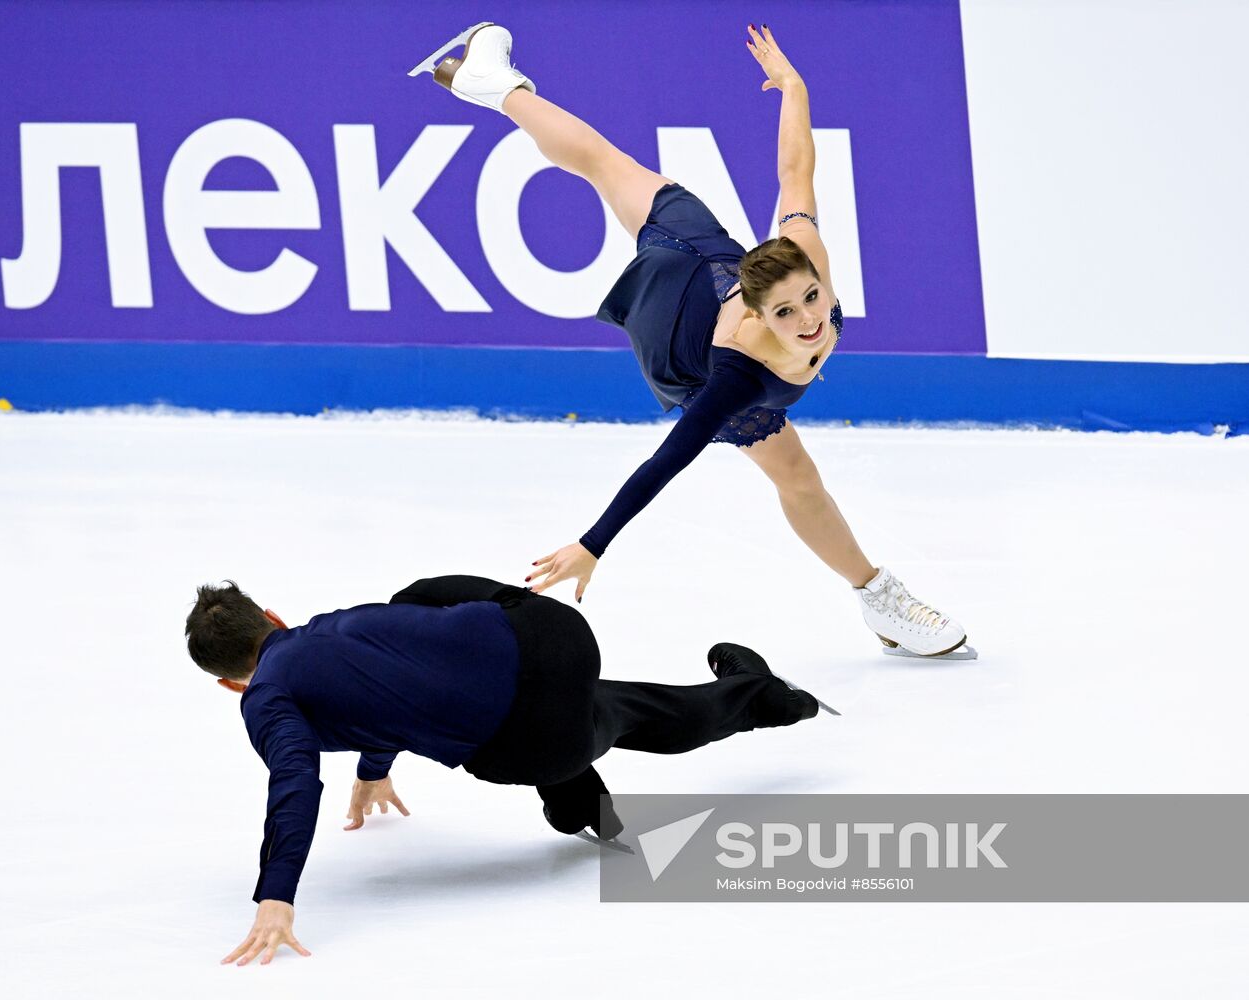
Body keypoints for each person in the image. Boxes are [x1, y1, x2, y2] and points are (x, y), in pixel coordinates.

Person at [411, 22, 970, 657]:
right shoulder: (737, 378)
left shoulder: (803, 257)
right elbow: (667, 460)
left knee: (605, 162)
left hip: (704, 253)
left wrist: (793, 86)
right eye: (787, 313)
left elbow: (795, 172)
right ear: (758, 314)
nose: (811, 319)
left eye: (812, 297)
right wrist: (593, 544)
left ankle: (492, 83)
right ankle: (878, 596)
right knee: (797, 473)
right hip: (681, 344)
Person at [185, 576, 828, 965]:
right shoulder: (333, 630)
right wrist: (374, 766)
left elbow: (294, 782)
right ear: (271, 618)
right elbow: (388, 690)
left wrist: (277, 894)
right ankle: (751, 694)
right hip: (552, 634)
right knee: (422, 602)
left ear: (228, 685)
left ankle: (747, 711)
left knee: (584, 738)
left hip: (533, 738)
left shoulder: (267, 699)